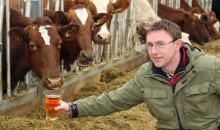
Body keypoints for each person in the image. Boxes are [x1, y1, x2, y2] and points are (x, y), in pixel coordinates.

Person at [55, 19, 220, 130]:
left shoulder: (210, 68)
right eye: (150, 45)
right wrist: (72, 108)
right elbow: (113, 100)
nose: (153, 52)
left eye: (160, 44)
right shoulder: (146, 76)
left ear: (177, 44)